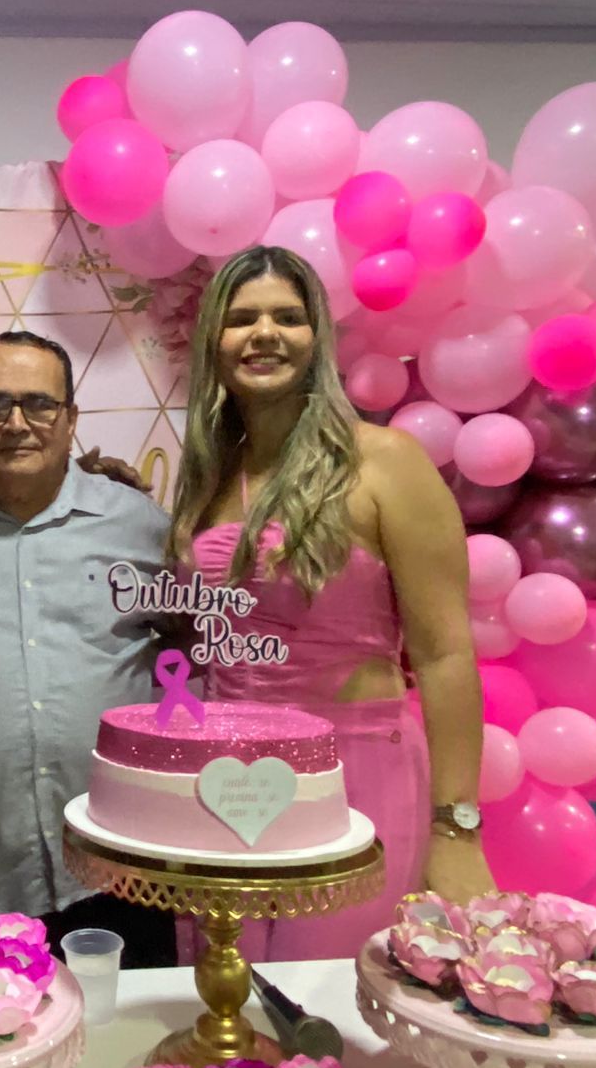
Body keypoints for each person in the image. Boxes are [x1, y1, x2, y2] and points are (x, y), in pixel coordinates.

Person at [167, 245, 494, 962]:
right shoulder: (209, 474)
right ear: (214, 340)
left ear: (317, 337)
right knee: (225, 992)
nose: (264, 334)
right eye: (242, 318)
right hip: (224, 779)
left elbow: (444, 655)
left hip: (354, 773)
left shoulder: (385, 462)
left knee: (324, 1002)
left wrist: (457, 830)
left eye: (288, 317)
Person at [0, 331, 178, 967]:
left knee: (133, 1029)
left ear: (71, 420)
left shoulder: (141, 526)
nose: (17, 424)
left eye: (40, 404)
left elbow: (189, 648)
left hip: (124, 868)